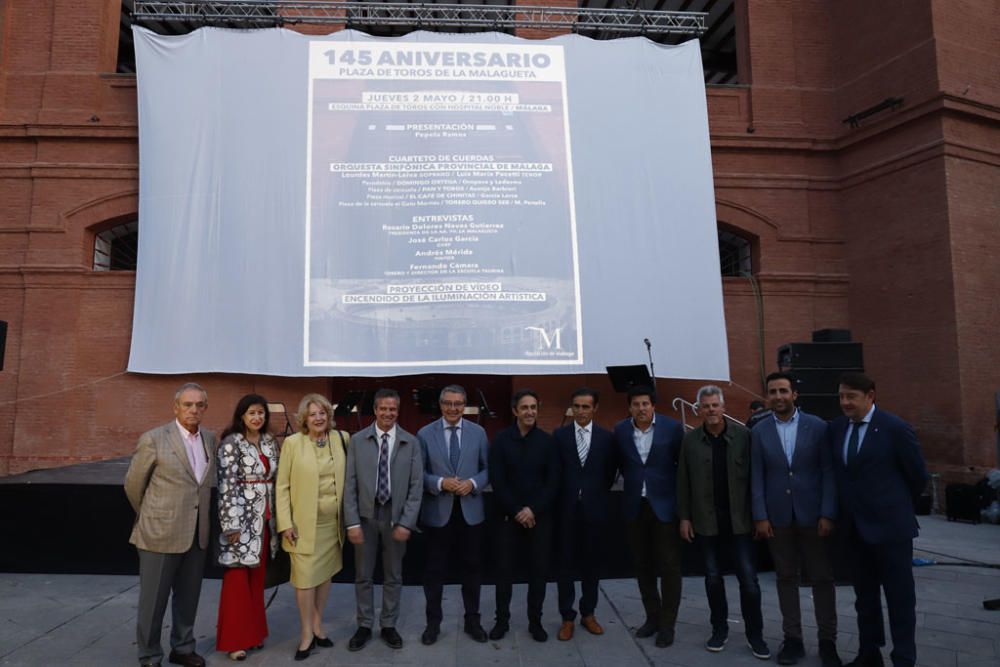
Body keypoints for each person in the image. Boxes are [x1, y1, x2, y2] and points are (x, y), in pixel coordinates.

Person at [831, 373, 928, 667]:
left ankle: (903, 658)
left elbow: (918, 477)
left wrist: (892, 505)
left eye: (851, 397)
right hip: (855, 531)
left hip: (891, 530)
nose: (845, 402)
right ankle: (868, 653)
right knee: (865, 598)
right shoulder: (836, 429)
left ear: (870, 396)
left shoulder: (894, 428)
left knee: (900, 599)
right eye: (841, 397)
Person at [751, 372, 840, 666]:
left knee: (822, 578)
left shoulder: (817, 427)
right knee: (785, 578)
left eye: (783, 391)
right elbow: (757, 476)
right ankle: (793, 639)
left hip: (814, 516)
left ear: (794, 395)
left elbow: (828, 471)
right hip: (777, 518)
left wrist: (828, 512)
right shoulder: (759, 430)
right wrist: (760, 516)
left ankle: (828, 641)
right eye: (772, 392)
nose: (778, 397)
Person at [124, 382, 216, 667]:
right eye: (187, 404)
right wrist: (152, 516)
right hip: (160, 533)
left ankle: (183, 647)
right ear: (175, 407)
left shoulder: (210, 439)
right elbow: (133, 485)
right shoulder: (154, 438)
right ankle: (150, 654)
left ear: (205, 409)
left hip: (197, 534)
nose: (193, 410)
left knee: (188, 598)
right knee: (154, 601)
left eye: (199, 405)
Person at [678, 385, 770, 660]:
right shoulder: (690, 441)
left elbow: (757, 479)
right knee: (713, 579)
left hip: (739, 521)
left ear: (723, 407)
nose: (711, 410)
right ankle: (719, 629)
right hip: (707, 522)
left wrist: (758, 515)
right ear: (699, 409)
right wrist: (684, 517)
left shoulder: (744, 436)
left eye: (715, 405)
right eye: (705, 406)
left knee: (749, 582)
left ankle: (756, 635)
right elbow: (683, 481)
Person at [344, 388, 424, 652]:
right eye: (383, 408)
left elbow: (416, 485)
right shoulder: (357, 440)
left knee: (393, 575)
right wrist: (352, 522)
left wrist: (406, 522)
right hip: (366, 517)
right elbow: (350, 483)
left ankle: (389, 625)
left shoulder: (410, 442)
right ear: (375, 410)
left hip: (395, 517)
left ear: (397, 411)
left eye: (393, 409)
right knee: (363, 575)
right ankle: (364, 625)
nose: (388, 413)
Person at [275, 394, 349, 661]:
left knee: (325, 576)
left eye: (323, 413)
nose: (318, 418)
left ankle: (318, 625)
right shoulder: (293, 444)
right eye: (313, 414)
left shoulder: (342, 439)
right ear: (304, 418)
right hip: (303, 526)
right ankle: (306, 633)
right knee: (305, 580)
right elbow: (282, 486)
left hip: (332, 525)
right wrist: (285, 524)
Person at [417, 385, 490, 645]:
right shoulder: (425, 434)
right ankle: (433, 624)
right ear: (440, 404)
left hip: (470, 512)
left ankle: (473, 621)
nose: (453, 408)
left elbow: (487, 470)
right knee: (434, 571)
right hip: (438, 513)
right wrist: (439, 483)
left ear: (464, 405)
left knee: (472, 569)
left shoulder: (479, 433)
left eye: (458, 403)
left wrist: (472, 483)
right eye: (448, 403)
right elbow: (419, 473)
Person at [612, 385, 684, 649]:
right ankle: (652, 618)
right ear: (629, 407)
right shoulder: (620, 430)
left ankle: (668, 624)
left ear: (653, 406)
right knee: (642, 565)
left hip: (664, 506)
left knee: (669, 567)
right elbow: (619, 463)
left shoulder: (672, 428)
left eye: (645, 404)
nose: (640, 409)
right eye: (635, 404)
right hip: (634, 506)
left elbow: (681, 467)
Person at [488, 389, 560, 642]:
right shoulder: (500, 440)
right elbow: (497, 480)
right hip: (508, 517)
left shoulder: (547, 441)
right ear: (515, 411)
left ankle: (535, 622)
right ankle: (502, 621)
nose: (530, 412)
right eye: (525, 407)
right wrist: (517, 510)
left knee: (538, 572)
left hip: (539, 518)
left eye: (534, 407)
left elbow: (553, 482)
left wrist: (533, 509)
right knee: (504, 572)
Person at [215, 394, 280, 661]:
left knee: (257, 580)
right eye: (252, 413)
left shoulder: (269, 442)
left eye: (261, 413)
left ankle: (253, 634)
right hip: (240, 522)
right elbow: (226, 485)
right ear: (241, 415)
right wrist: (231, 524)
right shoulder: (231, 443)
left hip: (265, 521)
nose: (257, 418)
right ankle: (235, 641)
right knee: (237, 582)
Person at [553, 388, 618, 641]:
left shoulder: (607, 438)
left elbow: (610, 473)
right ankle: (567, 617)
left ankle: (588, 613)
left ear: (595, 409)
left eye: (585, 407)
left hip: (595, 510)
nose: (580, 411)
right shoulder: (559, 436)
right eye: (576, 406)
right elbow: (555, 472)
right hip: (566, 511)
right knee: (565, 566)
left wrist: (592, 494)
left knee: (592, 564)